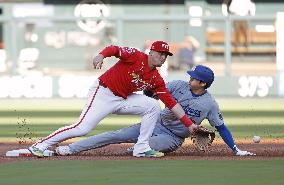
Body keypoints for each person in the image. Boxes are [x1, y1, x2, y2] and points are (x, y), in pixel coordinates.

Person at [28, 41, 199, 158]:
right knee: (82, 128)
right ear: (151, 52)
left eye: (165, 55)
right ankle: (40, 145)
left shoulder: (156, 78)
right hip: (104, 93)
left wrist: (189, 124)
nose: (163, 57)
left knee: (153, 106)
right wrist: (101, 55)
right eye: (160, 53)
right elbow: (115, 49)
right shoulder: (136, 56)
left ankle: (142, 148)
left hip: (123, 99)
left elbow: (171, 103)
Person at [55, 65, 255, 156]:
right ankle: (71, 149)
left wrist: (236, 150)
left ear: (202, 83)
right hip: (156, 122)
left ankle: (135, 150)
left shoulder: (209, 104)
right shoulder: (178, 85)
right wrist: (147, 91)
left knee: (143, 147)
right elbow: (154, 93)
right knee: (115, 135)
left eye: (194, 77)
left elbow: (221, 127)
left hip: (173, 138)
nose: (190, 78)